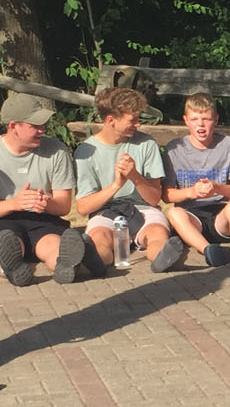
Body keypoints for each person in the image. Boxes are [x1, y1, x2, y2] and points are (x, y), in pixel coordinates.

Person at [0, 93, 92, 285]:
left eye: (43, 124)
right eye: (35, 125)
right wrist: (14, 204)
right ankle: (11, 269)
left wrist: (45, 203)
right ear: (13, 126)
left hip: (43, 218)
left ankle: (65, 266)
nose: (42, 130)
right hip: (2, 220)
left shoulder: (57, 150)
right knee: (8, 245)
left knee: (53, 244)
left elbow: (64, 206)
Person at [75, 86, 185, 273]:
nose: (138, 125)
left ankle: (162, 259)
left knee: (157, 233)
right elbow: (83, 207)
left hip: (143, 208)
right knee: (100, 238)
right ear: (111, 120)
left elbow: (154, 199)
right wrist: (117, 185)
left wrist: (135, 176)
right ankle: (96, 261)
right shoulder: (86, 151)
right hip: (106, 211)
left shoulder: (146, 144)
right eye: (132, 120)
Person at [160, 95, 230, 266]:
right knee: (173, 213)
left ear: (216, 120)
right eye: (194, 119)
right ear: (186, 120)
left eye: (206, 119)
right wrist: (192, 192)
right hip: (192, 215)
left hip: (221, 213)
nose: (200, 125)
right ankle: (209, 251)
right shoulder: (174, 148)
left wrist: (216, 187)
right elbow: (166, 195)